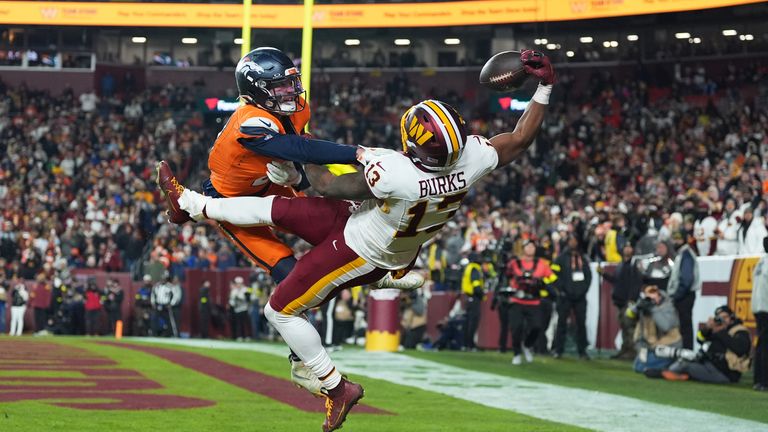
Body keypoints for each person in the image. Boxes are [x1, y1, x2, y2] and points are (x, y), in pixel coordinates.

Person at [158, 48, 555, 432]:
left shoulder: (397, 173)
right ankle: (191, 203)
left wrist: (332, 162)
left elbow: (329, 183)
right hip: (376, 232)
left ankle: (336, 386)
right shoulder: (471, 160)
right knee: (271, 210)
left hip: (360, 249)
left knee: (279, 311)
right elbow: (519, 138)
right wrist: (544, 88)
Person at [661, 306, 752, 384]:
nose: (722, 320)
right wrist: (707, 328)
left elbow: (740, 349)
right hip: (710, 365)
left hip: (726, 373)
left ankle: (662, 374)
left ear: (732, 318)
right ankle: (671, 373)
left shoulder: (740, 331)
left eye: (725, 317)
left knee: (685, 366)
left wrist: (721, 332)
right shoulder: (716, 329)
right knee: (683, 361)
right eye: (719, 317)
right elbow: (700, 340)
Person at [505, 239, 558, 364]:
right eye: (527, 246)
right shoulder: (514, 263)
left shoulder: (542, 264)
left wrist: (543, 284)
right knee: (516, 327)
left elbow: (552, 278)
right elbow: (506, 276)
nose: (530, 249)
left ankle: (527, 345)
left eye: (532, 247)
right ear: (523, 248)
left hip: (534, 300)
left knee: (537, 327)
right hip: (517, 299)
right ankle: (517, 353)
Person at [599, 244, 642, 359]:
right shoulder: (621, 264)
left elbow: (636, 284)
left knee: (629, 327)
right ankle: (625, 350)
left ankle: (631, 352)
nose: (627, 249)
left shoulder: (634, 265)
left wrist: (632, 300)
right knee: (624, 326)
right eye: (626, 247)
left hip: (628, 302)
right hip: (620, 301)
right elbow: (616, 281)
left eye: (629, 247)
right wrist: (604, 274)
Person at [552, 235, 592, 360]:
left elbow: (588, 277)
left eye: (575, 240)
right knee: (562, 323)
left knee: (581, 323)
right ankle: (558, 350)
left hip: (580, 297)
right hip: (565, 296)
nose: (573, 243)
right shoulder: (560, 259)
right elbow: (553, 275)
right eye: (571, 240)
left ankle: (582, 351)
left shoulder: (583, 258)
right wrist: (561, 290)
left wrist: (583, 290)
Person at [627, 285, 682, 374]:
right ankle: (667, 367)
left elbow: (665, 326)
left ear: (659, 296)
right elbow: (629, 315)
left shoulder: (669, 307)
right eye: (648, 298)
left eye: (654, 297)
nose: (651, 301)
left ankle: (672, 366)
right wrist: (638, 306)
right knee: (637, 366)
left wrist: (653, 309)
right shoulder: (644, 308)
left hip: (669, 347)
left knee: (642, 367)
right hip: (652, 347)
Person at [667, 231, 700, 350]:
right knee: (684, 326)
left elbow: (687, 280)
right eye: (674, 239)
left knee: (685, 326)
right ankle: (685, 351)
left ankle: (686, 352)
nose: (675, 242)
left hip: (685, 296)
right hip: (684, 294)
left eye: (678, 239)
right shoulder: (683, 254)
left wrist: (676, 295)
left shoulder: (686, 254)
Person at [751, 238, 768, 391]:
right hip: (766, 307)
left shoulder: (761, 261)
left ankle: (758, 379)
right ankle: (764, 381)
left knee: (761, 344)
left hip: (758, 307)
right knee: (765, 345)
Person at [461, 254, 485, 351]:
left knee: (468, 321)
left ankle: (466, 344)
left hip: (468, 297)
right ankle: (470, 344)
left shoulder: (469, 267)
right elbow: (476, 284)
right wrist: (481, 294)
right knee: (473, 321)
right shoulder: (474, 268)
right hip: (474, 297)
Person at [228, 276, 250, 341]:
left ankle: (247, 336)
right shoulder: (234, 291)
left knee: (245, 323)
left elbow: (248, 299)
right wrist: (233, 303)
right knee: (238, 324)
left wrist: (240, 297)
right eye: (237, 283)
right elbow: (231, 301)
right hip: (237, 309)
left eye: (239, 283)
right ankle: (239, 336)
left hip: (244, 308)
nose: (238, 285)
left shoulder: (246, 289)